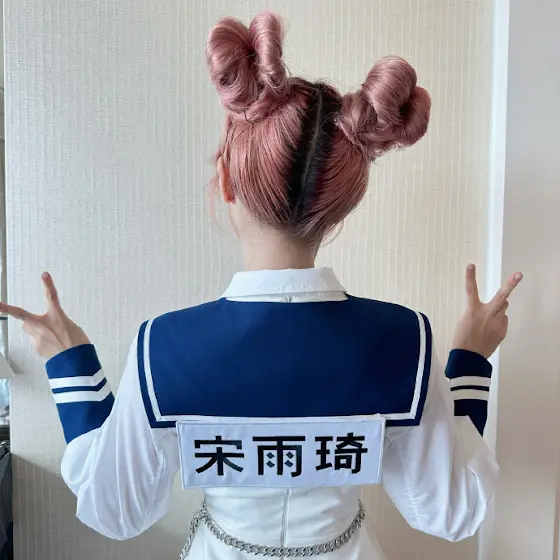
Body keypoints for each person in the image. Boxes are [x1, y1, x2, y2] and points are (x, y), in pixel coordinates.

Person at [0, 11, 522, 560]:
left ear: (226, 180)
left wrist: (71, 366)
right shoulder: (404, 339)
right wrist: (470, 362)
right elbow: (451, 509)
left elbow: (115, 508)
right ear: (343, 200)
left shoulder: (165, 346)